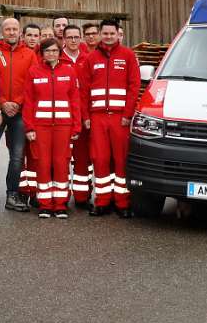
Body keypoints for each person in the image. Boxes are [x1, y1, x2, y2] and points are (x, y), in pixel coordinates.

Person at [81, 19, 141, 217]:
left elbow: (134, 87)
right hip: (97, 117)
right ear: (100, 34)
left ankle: (122, 202)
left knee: (121, 159)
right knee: (100, 159)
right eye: (104, 33)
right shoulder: (91, 58)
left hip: (119, 118)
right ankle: (102, 201)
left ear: (118, 34)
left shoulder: (128, 55)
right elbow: (84, 90)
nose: (108, 37)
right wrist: (86, 116)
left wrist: (127, 114)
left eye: (111, 33)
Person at [24, 37, 83, 219]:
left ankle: (60, 204)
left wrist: (76, 126)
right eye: (47, 51)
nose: (51, 54)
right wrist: (29, 128)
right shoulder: (33, 71)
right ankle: (45, 204)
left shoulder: (69, 71)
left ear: (59, 52)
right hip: (40, 128)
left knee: (61, 163)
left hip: (63, 127)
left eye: (55, 51)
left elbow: (75, 100)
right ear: (42, 53)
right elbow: (28, 101)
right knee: (43, 163)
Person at [0, 17, 34, 210]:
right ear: (2, 32)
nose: (12, 32)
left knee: (17, 156)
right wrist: (4, 103)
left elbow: (32, 83)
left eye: (15, 29)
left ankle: (12, 195)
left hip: (20, 111)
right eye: (8, 29)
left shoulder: (30, 54)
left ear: (20, 32)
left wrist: (18, 102)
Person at [60, 25, 93, 206]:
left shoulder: (87, 59)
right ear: (63, 39)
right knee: (62, 158)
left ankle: (82, 197)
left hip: (82, 116)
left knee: (82, 159)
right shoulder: (56, 58)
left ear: (80, 38)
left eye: (76, 37)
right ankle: (61, 195)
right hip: (62, 118)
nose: (73, 40)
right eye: (69, 37)